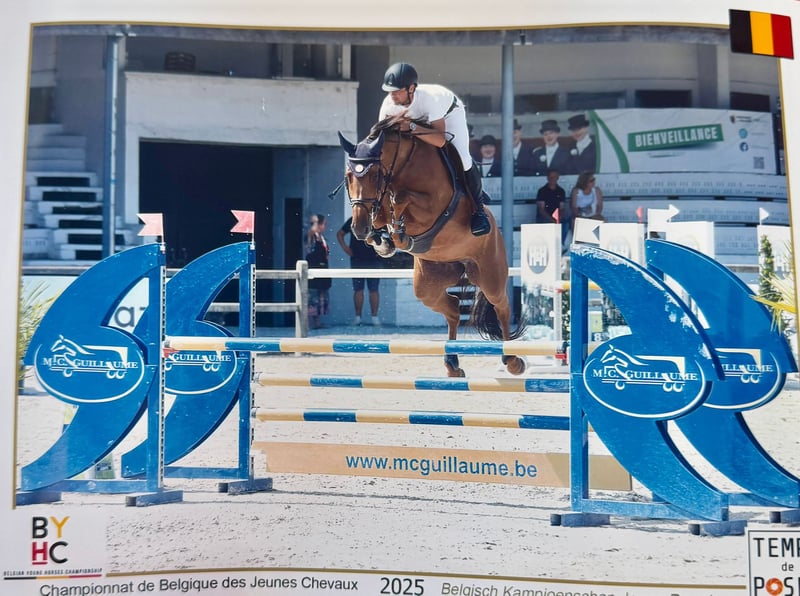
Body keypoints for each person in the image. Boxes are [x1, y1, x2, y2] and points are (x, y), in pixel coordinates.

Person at [378, 62, 491, 236]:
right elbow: (382, 142)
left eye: (397, 91)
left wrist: (412, 127)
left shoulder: (432, 99)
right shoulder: (388, 106)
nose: (392, 95)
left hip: (448, 116)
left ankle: (479, 211)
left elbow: (440, 140)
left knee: (463, 158)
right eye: (390, 91)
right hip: (415, 123)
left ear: (411, 88)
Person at [337, 216, 382, 326]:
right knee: (358, 289)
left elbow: (387, 236)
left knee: (374, 289)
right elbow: (340, 234)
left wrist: (381, 250)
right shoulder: (354, 219)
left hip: (373, 260)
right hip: (357, 259)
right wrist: (346, 248)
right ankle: (358, 317)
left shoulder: (376, 219)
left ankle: (374, 317)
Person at [304, 213, 331, 330]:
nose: (325, 226)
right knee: (312, 296)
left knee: (320, 296)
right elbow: (310, 239)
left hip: (323, 270)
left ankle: (317, 322)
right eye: (323, 224)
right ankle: (309, 323)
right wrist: (314, 224)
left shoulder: (322, 237)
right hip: (314, 269)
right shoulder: (311, 236)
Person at [536, 168, 570, 252]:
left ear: (558, 178)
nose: (552, 179)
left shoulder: (561, 191)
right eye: (551, 177)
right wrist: (552, 219)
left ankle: (560, 244)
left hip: (556, 216)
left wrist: (558, 218)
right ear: (547, 178)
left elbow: (562, 208)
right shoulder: (542, 191)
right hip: (544, 217)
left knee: (565, 223)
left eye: (554, 177)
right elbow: (541, 209)